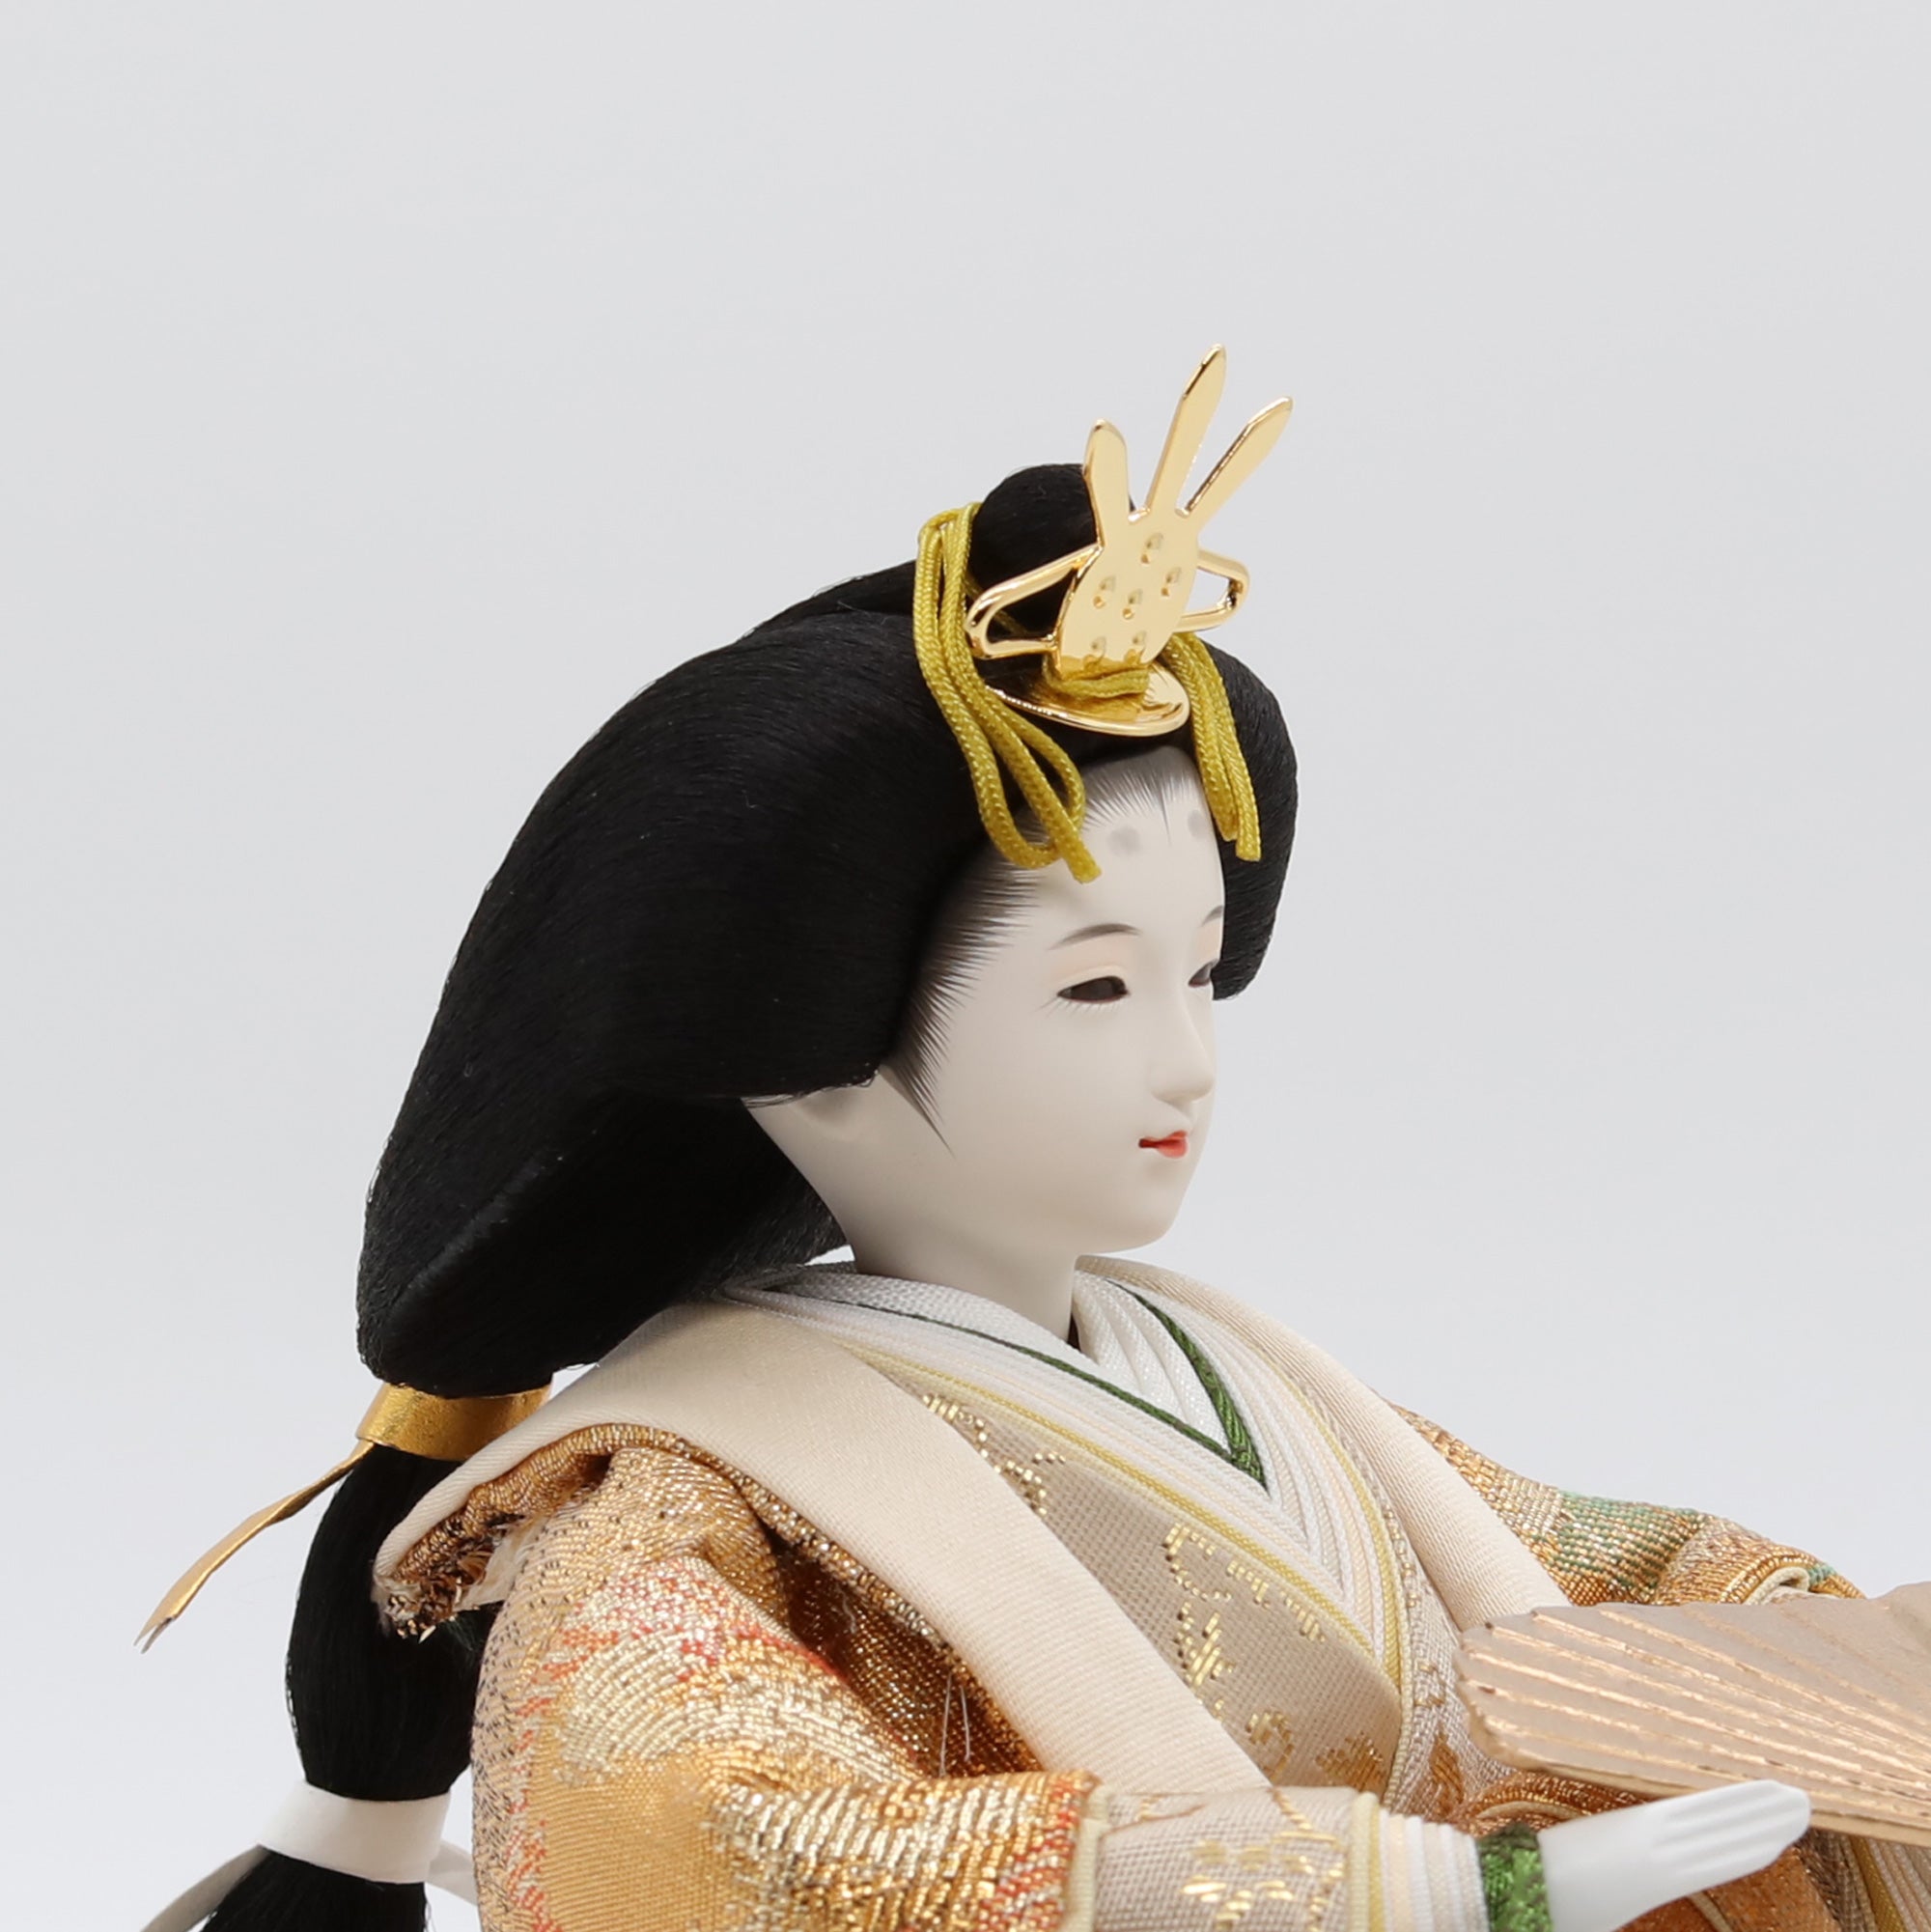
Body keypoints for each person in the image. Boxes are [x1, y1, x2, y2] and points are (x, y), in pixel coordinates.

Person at [147, 355, 1927, 1932]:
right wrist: (1450, 1893)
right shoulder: (678, 1499)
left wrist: (1815, 1635)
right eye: (1093, 989)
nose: (1187, 1057)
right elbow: (717, 1834)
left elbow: (1559, 1559)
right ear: (814, 1073)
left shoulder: (1243, 1374)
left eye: (1200, 975)